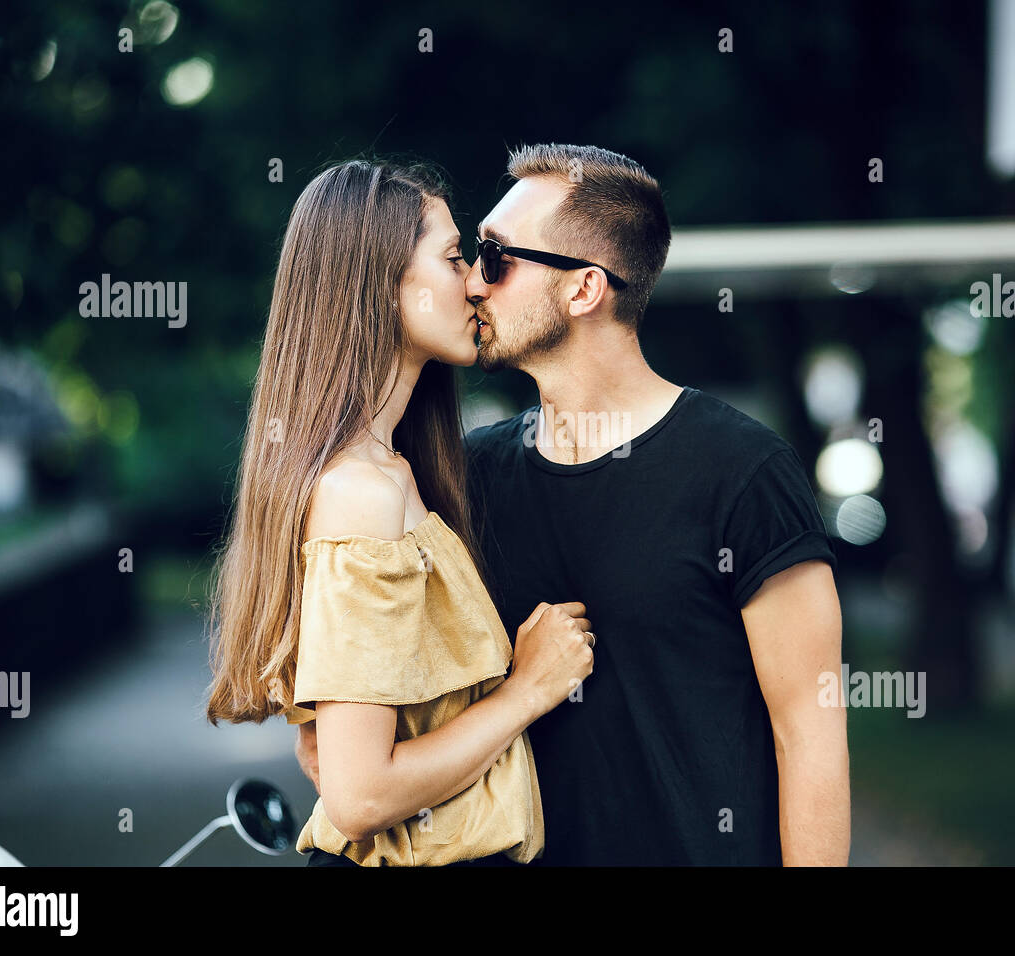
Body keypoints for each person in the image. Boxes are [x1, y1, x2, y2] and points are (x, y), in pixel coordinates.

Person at [299, 143, 850, 866]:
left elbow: (808, 736)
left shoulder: (744, 473)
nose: (472, 283)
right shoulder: (459, 482)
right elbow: (362, 745)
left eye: (494, 258)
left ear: (584, 289)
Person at [204, 158, 595, 867]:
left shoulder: (390, 471)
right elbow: (359, 796)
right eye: (453, 259)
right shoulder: (362, 494)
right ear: (381, 288)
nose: (478, 281)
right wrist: (529, 690)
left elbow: (345, 742)